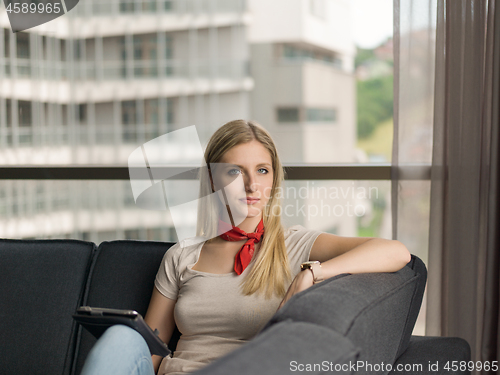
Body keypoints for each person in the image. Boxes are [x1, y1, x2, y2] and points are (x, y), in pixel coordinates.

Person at [80, 119, 411, 375]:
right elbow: (152, 348)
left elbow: (397, 252)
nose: (252, 185)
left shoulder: (296, 245)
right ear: (212, 180)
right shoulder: (182, 256)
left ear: (274, 179)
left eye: (262, 171)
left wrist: (315, 272)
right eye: (235, 171)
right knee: (122, 337)